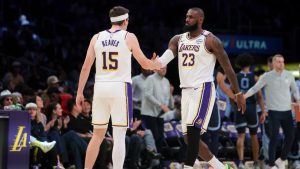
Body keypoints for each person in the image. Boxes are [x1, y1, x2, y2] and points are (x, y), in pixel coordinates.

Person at [158, 7, 246, 169]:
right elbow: (165, 58)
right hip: (185, 92)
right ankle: (220, 167)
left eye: (191, 17)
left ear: (200, 20)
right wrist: (154, 63)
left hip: (202, 89)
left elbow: (228, 68)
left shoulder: (210, 40)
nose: (187, 19)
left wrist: (238, 92)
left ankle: (188, 167)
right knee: (188, 139)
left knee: (192, 134)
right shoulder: (178, 39)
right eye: (186, 17)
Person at [75, 6, 162, 169]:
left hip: (100, 88)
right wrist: (154, 64)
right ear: (125, 21)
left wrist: (79, 92)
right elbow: (144, 63)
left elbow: (86, 67)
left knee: (97, 135)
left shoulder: (96, 37)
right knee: (120, 135)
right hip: (120, 88)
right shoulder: (129, 37)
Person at [244, 54, 300, 169]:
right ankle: (271, 165)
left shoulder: (289, 75)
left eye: (283, 62)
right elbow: (255, 88)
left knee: (291, 136)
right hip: (273, 112)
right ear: (273, 63)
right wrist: (244, 96)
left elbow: (295, 90)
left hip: (287, 111)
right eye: (279, 62)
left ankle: (282, 159)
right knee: (273, 138)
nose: (281, 64)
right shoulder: (266, 76)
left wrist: (298, 100)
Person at [234, 53, 266, 169]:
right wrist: (263, 111)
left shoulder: (235, 76)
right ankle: (256, 163)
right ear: (250, 63)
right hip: (252, 108)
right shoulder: (255, 77)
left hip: (240, 108)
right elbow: (260, 96)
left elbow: (232, 95)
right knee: (254, 136)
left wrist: (235, 105)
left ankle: (241, 162)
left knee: (241, 136)